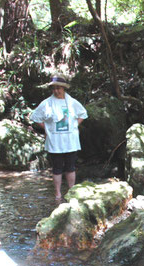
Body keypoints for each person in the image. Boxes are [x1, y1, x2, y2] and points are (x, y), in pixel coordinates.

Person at [30, 74, 88, 202]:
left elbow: (83, 114)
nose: (56, 91)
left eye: (59, 88)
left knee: (71, 167)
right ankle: (57, 194)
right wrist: (46, 128)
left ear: (64, 88)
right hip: (55, 141)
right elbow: (35, 117)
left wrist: (74, 125)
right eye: (54, 88)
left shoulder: (72, 102)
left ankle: (71, 191)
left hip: (70, 141)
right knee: (57, 169)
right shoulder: (47, 103)